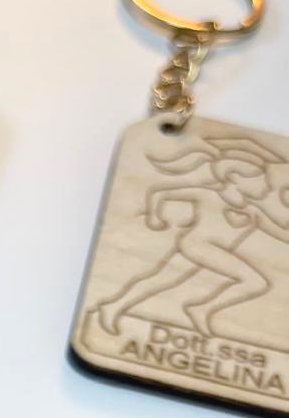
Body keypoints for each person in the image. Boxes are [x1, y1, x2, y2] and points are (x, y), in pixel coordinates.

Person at [96, 133, 289, 338]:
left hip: (206, 250)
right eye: (259, 180)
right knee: (254, 281)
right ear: (234, 178)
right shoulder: (209, 195)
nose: (267, 187)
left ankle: (112, 306)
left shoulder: (253, 211)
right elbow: (160, 193)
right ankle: (201, 309)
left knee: (157, 280)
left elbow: (280, 233)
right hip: (197, 245)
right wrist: (155, 218)